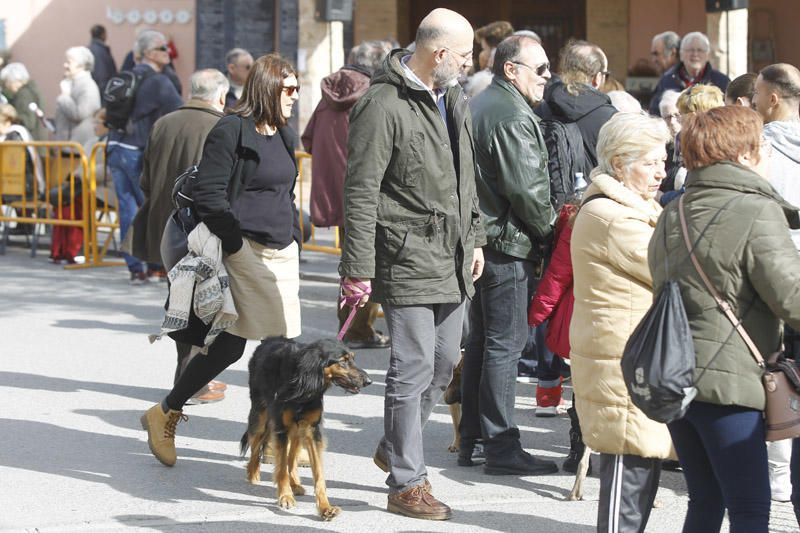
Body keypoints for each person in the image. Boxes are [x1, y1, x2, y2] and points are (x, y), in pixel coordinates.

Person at [339, 8, 485, 520]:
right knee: (413, 366)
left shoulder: (455, 98)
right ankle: (407, 482)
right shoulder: (381, 104)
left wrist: (477, 239)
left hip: (453, 255)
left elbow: (468, 175)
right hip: (404, 254)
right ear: (439, 53)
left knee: (445, 363)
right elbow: (359, 191)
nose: (470, 64)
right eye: (465, 55)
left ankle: (394, 445)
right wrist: (356, 269)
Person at [140, 53, 302, 468]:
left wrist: (295, 236)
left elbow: (287, 191)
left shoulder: (283, 132)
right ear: (267, 88)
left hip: (282, 254)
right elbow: (210, 194)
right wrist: (235, 245)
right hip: (245, 250)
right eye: (289, 89)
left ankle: (253, 431)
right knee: (259, 347)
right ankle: (171, 413)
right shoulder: (230, 129)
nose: (295, 96)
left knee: (249, 346)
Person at [649, 105, 800, 533]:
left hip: (676, 376)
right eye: (763, 144)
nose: (769, 153)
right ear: (744, 154)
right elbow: (792, 296)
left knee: (706, 500)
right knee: (750, 508)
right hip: (730, 384)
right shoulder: (755, 210)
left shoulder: (672, 212)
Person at [460, 33, 559, 475]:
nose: (547, 77)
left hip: (488, 240)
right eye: (540, 69)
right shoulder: (510, 114)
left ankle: (474, 440)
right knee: (504, 344)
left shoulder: (487, 103)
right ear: (511, 70)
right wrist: (551, 234)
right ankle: (500, 446)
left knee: (484, 342)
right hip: (504, 244)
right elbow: (528, 192)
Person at [570, 112, 673, 532]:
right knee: (626, 466)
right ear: (618, 164)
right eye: (649, 163)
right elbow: (668, 266)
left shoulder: (631, 208)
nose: (660, 172)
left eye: (663, 161)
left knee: (640, 459)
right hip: (620, 357)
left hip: (631, 352)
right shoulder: (612, 216)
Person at [130, 69, 229, 402]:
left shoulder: (164, 122)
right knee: (203, 304)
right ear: (221, 96)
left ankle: (189, 378)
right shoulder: (221, 125)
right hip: (198, 227)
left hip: (167, 225)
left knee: (182, 300)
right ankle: (192, 381)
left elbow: (145, 178)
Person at [301, 41, 391, 349]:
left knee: (352, 263)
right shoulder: (376, 93)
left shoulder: (330, 91)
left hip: (336, 190)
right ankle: (358, 330)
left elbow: (309, 138)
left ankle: (354, 328)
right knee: (369, 264)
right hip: (368, 191)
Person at [752, 62, 800, 510]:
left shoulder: (761, 150)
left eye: (756, 95)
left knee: (776, 377)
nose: (750, 103)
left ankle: (780, 478)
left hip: (774, 273)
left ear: (773, 99)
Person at [107, 30, 182, 284]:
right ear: (149, 53)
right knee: (151, 207)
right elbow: (181, 112)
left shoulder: (125, 75)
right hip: (136, 150)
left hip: (114, 146)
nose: (168, 52)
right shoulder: (159, 81)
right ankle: (155, 265)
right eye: (163, 48)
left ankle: (135, 268)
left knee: (127, 208)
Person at [536, 39, 617, 171]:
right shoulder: (610, 118)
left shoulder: (539, 109)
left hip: (549, 190)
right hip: (594, 190)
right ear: (597, 78)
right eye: (605, 75)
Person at [649, 31, 730, 116]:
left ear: (707, 55)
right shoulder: (667, 79)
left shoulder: (721, 81)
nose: (695, 54)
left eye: (700, 50)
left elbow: (729, 113)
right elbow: (654, 111)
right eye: (690, 50)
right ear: (681, 55)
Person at [54, 46, 101, 147]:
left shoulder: (88, 86)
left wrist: (65, 96)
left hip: (79, 147)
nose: (65, 65)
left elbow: (80, 114)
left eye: (69, 62)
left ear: (81, 65)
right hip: (69, 145)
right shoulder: (72, 83)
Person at [0, 63, 47, 142]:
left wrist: (10, 117)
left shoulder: (24, 94)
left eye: (7, 82)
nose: (7, 86)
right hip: (36, 142)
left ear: (15, 80)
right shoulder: (32, 91)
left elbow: (28, 122)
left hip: (29, 143)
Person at [88, 24, 117, 95]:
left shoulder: (90, 49)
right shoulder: (100, 51)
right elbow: (101, 74)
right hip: (101, 91)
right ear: (103, 34)